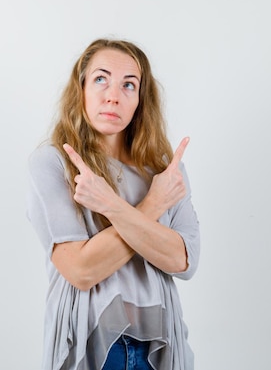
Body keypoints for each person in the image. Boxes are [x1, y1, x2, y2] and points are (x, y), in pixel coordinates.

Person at [26, 38, 200, 370]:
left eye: (129, 85)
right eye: (101, 79)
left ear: (140, 100)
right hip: (94, 346)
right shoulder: (52, 164)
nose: (113, 95)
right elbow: (81, 270)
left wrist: (110, 205)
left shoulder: (164, 171)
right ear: (81, 90)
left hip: (161, 345)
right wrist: (152, 205)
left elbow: (183, 260)